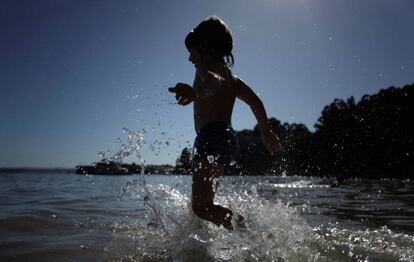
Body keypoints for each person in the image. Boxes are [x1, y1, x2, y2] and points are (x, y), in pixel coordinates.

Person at [169, 16, 281, 230]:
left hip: (211, 137)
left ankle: (246, 231)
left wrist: (196, 92)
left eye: (191, 52)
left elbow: (214, 83)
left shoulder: (206, 68)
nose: (190, 59)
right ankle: (236, 235)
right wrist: (265, 131)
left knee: (201, 207)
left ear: (205, 50)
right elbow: (255, 101)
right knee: (204, 204)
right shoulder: (233, 78)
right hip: (227, 139)